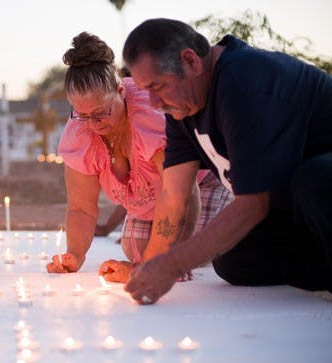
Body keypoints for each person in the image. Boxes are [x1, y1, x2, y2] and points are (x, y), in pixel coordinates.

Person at [121, 18, 332, 305]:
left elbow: (252, 204)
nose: (154, 103)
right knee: (234, 258)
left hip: (320, 191)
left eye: (157, 86)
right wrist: (148, 266)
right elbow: (173, 195)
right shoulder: (182, 108)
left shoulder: (243, 81)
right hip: (298, 213)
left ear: (191, 61)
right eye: (146, 91)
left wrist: (172, 265)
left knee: (317, 180)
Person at [46, 31, 232, 281]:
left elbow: (184, 192)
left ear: (121, 90)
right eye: (83, 115)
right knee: (139, 250)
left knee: (203, 252)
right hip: (152, 198)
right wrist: (75, 255)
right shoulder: (81, 132)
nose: (93, 123)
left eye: (101, 112)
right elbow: (81, 208)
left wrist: (172, 261)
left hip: (200, 183)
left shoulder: (150, 117)